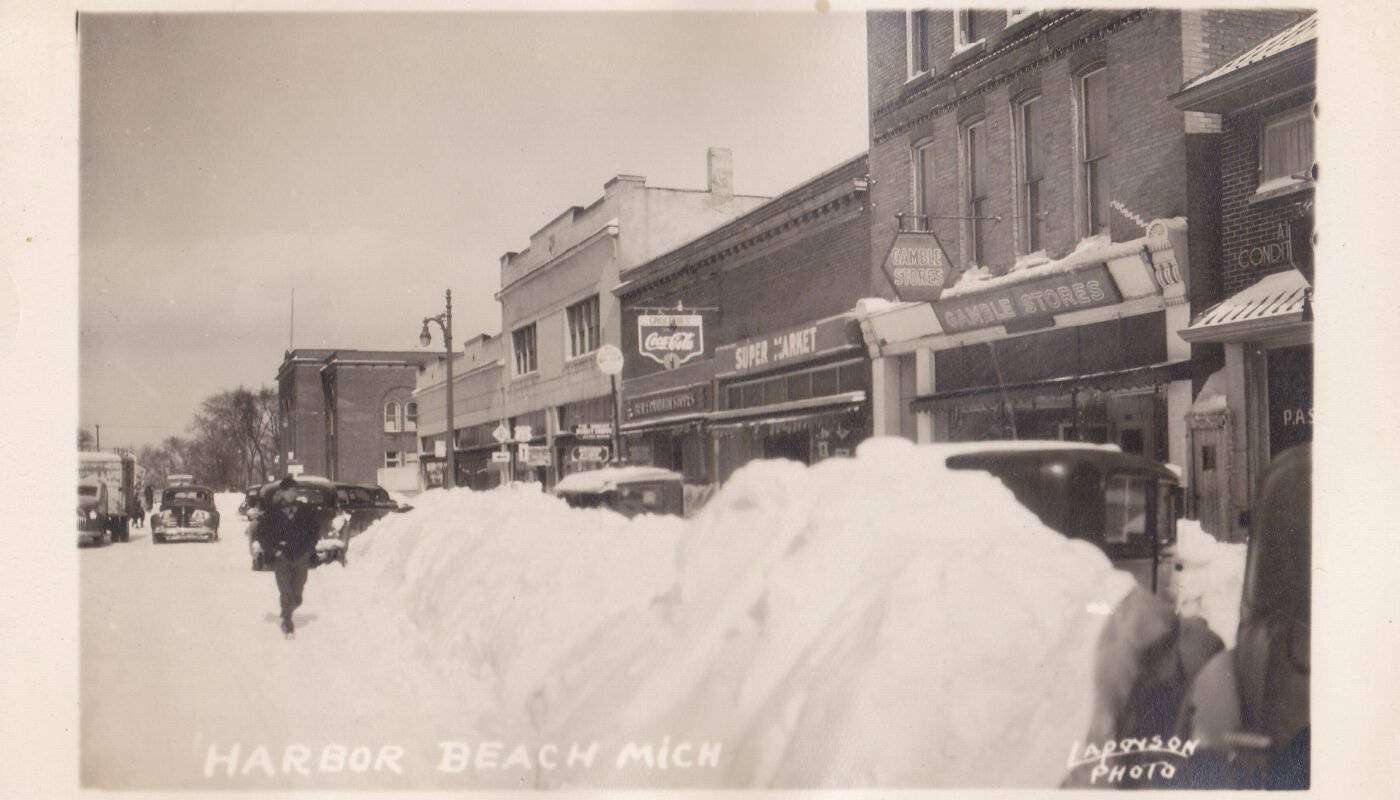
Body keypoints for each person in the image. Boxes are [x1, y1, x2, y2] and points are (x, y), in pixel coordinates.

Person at [250, 475, 322, 636]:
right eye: (287, 491)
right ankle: (287, 620)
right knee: (285, 590)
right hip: (281, 557)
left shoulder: (305, 510)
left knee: (298, 592)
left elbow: (314, 531)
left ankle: (289, 607)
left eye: (294, 491)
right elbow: (262, 534)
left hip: (300, 557)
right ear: (281, 492)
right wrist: (274, 550)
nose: (291, 494)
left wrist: (308, 550)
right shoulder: (272, 512)